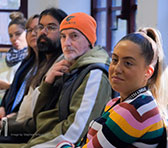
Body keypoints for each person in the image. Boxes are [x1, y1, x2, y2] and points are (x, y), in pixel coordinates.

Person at [0, 12, 113, 148]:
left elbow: (74, 134)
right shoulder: (66, 66)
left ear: (89, 40)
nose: (67, 43)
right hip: (38, 138)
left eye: (74, 36)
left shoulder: (95, 74)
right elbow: (40, 115)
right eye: (63, 36)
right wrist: (47, 83)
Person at [57, 27, 168, 148]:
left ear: (148, 72)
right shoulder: (121, 102)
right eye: (115, 60)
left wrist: (62, 145)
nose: (117, 69)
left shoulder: (134, 110)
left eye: (128, 63)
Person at [0, 8, 67, 143]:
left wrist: (6, 124)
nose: (39, 33)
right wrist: (3, 108)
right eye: (40, 27)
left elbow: (40, 119)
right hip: (14, 121)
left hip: (29, 133)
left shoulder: (58, 66)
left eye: (51, 27)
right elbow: (16, 94)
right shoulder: (31, 62)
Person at [0, 11, 28, 90]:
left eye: (18, 34)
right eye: (11, 35)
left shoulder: (32, 57)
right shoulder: (7, 57)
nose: (13, 38)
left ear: (27, 32)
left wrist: (8, 87)